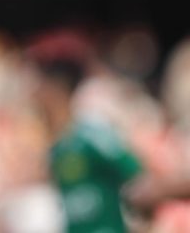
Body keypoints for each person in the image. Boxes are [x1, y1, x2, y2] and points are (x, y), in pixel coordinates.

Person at [29, 34, 142, 233]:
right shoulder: (55, 148)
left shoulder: (92, 136)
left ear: (55, 90)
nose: (35, 96)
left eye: (41, 87)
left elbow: (137, 175)